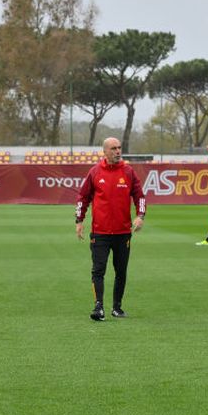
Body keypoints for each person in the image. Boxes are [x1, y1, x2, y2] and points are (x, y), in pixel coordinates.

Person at [74, 137, 146, 321]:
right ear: (104, 151)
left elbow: (140, 196)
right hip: (100, 233)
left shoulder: (128, 172)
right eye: (113, 148)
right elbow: (83, 197)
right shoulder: (95, 172)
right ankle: (98, 307)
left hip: (123, 233)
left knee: (121, 271)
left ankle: (117, 307)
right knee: (98, 270)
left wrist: (140, 215)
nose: (118, 151)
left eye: (119, 148)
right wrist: (79, 220)